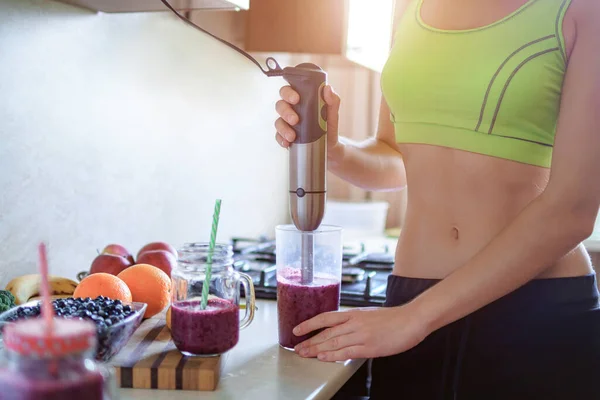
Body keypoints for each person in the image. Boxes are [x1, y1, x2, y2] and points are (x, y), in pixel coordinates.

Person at [273, 0, 600, 398]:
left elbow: (572, 210)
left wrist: (414, 319)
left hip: (535, 312)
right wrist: (334, 151)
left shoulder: (583, 10)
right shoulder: (409, 8)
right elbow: (394, 154)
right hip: (411, 301)